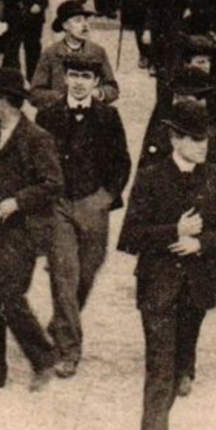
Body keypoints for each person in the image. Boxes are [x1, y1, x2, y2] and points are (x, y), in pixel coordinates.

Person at [118, 102, 216, 430]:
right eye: (193, 138)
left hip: (198, 288)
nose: (202, 144)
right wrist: (174, 231)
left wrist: (201, 243)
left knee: (177, 368)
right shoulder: (151, 177)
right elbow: (129, 237)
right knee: (160, 368)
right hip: (157, 287)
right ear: (175, 138)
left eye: (205, 137)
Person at [0, 67, 60, 391]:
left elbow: (52, 184)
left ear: (6, 101)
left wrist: (18, 201)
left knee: (9, 296)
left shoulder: (37, 138)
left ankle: (44, 359)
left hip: (22, 231)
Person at [33, 57, 130, 378]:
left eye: (85, 76)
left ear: (95, 82)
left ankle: (61, 321)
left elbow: (121, 163)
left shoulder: (108, 116)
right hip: (58, 205)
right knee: (64, 273)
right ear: (65, 78)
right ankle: (68, 350)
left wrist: (104, 198)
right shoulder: (47, 116)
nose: (78, 82)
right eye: (73, 75)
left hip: (93, 204)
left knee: (88, 270)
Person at [28, 0, 120, 110]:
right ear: (65, 25)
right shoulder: (51, 54)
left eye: (86, 20)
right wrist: (63, 97)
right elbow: (35, 94)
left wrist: (97, 93)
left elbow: (113, 89)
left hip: (90, 113)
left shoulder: (97, 52)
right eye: (78, 21)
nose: (85, 25)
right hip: (60, 115)